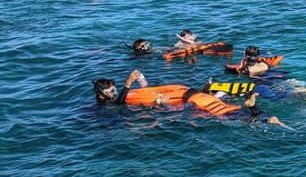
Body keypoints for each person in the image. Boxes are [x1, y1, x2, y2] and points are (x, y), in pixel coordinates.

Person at [92, 69, 283, 126]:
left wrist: (140, 78)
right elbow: (119, 101)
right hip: (194, 96)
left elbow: (145, 91)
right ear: (101, 96)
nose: (114, 92)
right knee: (230, 111)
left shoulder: (124, 99)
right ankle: (260, 113)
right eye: (111, 91)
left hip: (193, 99)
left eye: (114, 89)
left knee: (229, 115)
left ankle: (262, 117)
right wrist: (129, 81)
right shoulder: (114, 103)